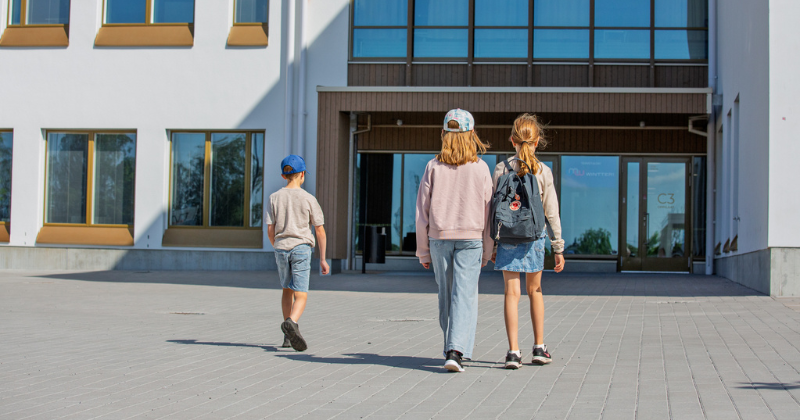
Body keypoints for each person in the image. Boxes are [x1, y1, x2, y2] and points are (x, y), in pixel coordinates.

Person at [416, 108, 494, 372]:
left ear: (444, 134)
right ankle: (455, 350)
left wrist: (422, 252)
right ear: (471, 134)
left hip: (439, 239)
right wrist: (488, 250)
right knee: (465, 296)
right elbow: (489, 213)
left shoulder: (433, 166)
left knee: (446, 295)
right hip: (472, 239)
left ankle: (452, 347)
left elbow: (422, 213)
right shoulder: (481, 168)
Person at [491, 114, 565, 369]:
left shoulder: (502, 169)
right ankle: (539, 348)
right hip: (535, 237)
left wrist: (492, 245)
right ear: (536, 142)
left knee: (512, 293)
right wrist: (558, 247)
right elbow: (551, 211)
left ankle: (513, 352)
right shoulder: (543, 171)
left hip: (508, 236)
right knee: (535, 291)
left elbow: (493, 209)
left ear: (512, 140)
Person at [266, 155, 329, 352]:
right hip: (301, 247)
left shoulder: (274, 197)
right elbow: (319, 230)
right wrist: (324, 259)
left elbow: (270, 228)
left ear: (284, 176)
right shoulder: (309, 198)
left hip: (281, 247)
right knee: (301, 294)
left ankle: (287, 337)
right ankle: (291, 323)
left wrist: (276, 245)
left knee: (287, 290)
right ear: (302, 175)